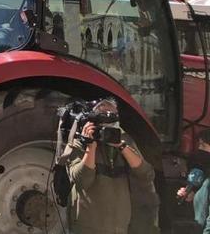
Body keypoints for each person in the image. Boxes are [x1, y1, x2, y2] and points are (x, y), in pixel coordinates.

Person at [65, 98, 155, 234]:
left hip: (119, 227)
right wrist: (91, 146)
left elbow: (147, 174)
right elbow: (82, 181)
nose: (108, 123)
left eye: (112, 117)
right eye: (103, 116)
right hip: (88, 228)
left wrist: (121, 145)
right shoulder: (79, 143)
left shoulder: (125, 141)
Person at [177, 129, 210, 233]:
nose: (199, 150)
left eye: (203, 146)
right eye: (199, 145)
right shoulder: (204, 181)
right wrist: (191, 193)